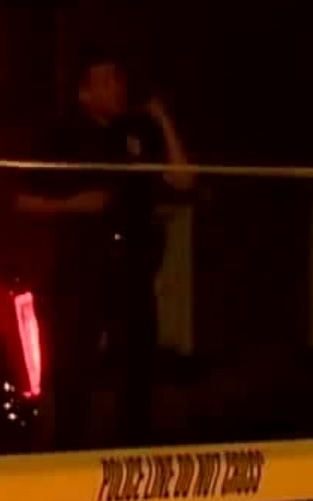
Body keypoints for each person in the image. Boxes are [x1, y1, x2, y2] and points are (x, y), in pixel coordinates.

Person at [17, 50, 192, 449]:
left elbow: (183, 179)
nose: (118, 87)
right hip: (81, 270)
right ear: (85, 93)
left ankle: (133, 450)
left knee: (136, 368)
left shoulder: (137, 131)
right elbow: (21, 201)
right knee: (73, 368)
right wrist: (72, 205)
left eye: (119, 79)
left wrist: (162, 119)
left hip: (132, 270)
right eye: (107, 80)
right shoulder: (62, 136)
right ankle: (69, 452)